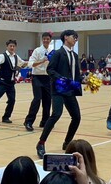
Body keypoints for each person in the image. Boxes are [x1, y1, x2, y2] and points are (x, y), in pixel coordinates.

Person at [36, 30, 82, 159]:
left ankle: (67, 143)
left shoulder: (75, 55)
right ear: (66, 37)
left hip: (70, 89)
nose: (76, 39)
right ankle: (41, 143)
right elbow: (50, 69)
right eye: (74, 37)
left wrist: (83, 81)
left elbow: (75, 73)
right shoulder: (58, 53)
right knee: (56, 113)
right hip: (59, 88)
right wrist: (61, 79)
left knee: (77, 117)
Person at [24, 32, 53, 131]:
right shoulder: (37, 50)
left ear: (50, 40)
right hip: (37, 77)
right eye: (44, 39)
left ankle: (45, 122)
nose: (46, 40)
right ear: (42, 40)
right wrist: (42, 60)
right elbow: (30, 64)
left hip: (48, 78)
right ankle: (28, 121)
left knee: (47, 100)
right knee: (37, 99)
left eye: (47, 39)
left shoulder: (52, 51)